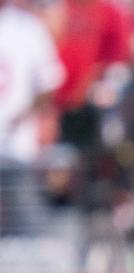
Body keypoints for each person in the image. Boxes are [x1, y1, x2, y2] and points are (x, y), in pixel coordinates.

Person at [0, 0, 65, 235]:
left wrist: (23, 116)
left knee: (23, 228)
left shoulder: (26, 28)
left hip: (16, 149)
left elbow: (50, 82)